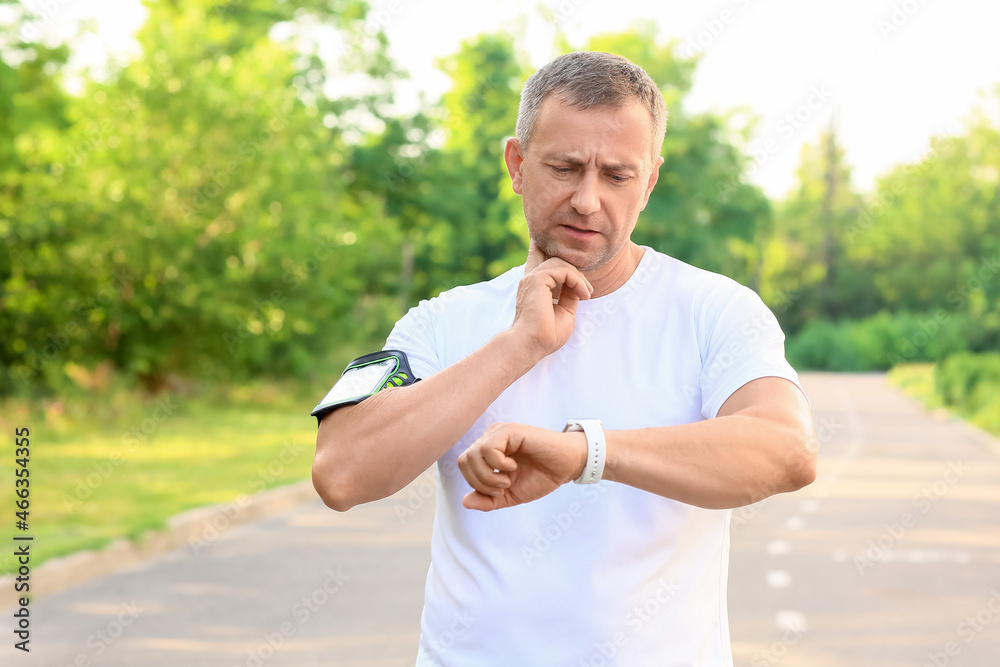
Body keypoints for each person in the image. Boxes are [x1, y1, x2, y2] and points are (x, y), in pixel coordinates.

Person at [311, 51, 817, 666]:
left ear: (650, 181)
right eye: (565, 167)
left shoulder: (716, 310)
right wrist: (519, 344)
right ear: (517, 164)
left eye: (617, 176)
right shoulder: (438, 322)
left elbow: (787, 452)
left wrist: (586, 453)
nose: (586, 199)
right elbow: (341, 472)